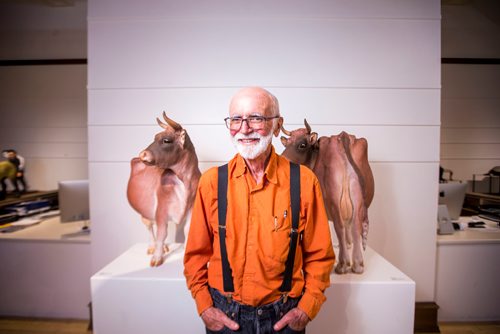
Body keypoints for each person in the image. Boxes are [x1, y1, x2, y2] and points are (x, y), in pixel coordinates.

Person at [184, 87, 335, 333]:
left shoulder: (304, 182)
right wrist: (204, 307)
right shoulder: (211, 182)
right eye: (236, 119)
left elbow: (320, 256)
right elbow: (195, 255)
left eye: (256, 118)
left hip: (284, 317)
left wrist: (307, 308)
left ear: (277, 126)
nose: (244, 128)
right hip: (225, 315)